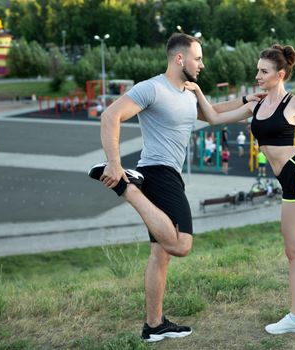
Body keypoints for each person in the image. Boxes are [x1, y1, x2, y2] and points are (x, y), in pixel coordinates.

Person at [87, 33, 263, 343]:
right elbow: (110, 115)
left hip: (165, 174)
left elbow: (215, 112)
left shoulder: (188, 94)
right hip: (158, 172)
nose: (202, 64)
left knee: (160, 254)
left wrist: (249, 101)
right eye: (198, 58)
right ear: (179, 58)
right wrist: (114, 164)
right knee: (181, 245)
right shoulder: (152, 88)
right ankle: (126, 189)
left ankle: (154, 326)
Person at [185, 44, 295, 335]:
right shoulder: (255, 105)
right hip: (285, 183)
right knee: (293, 252)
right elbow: (211, 117)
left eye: (264, 71)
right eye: (257, 70)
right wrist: (197, 92)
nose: (258, 75)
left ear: (280, 74)